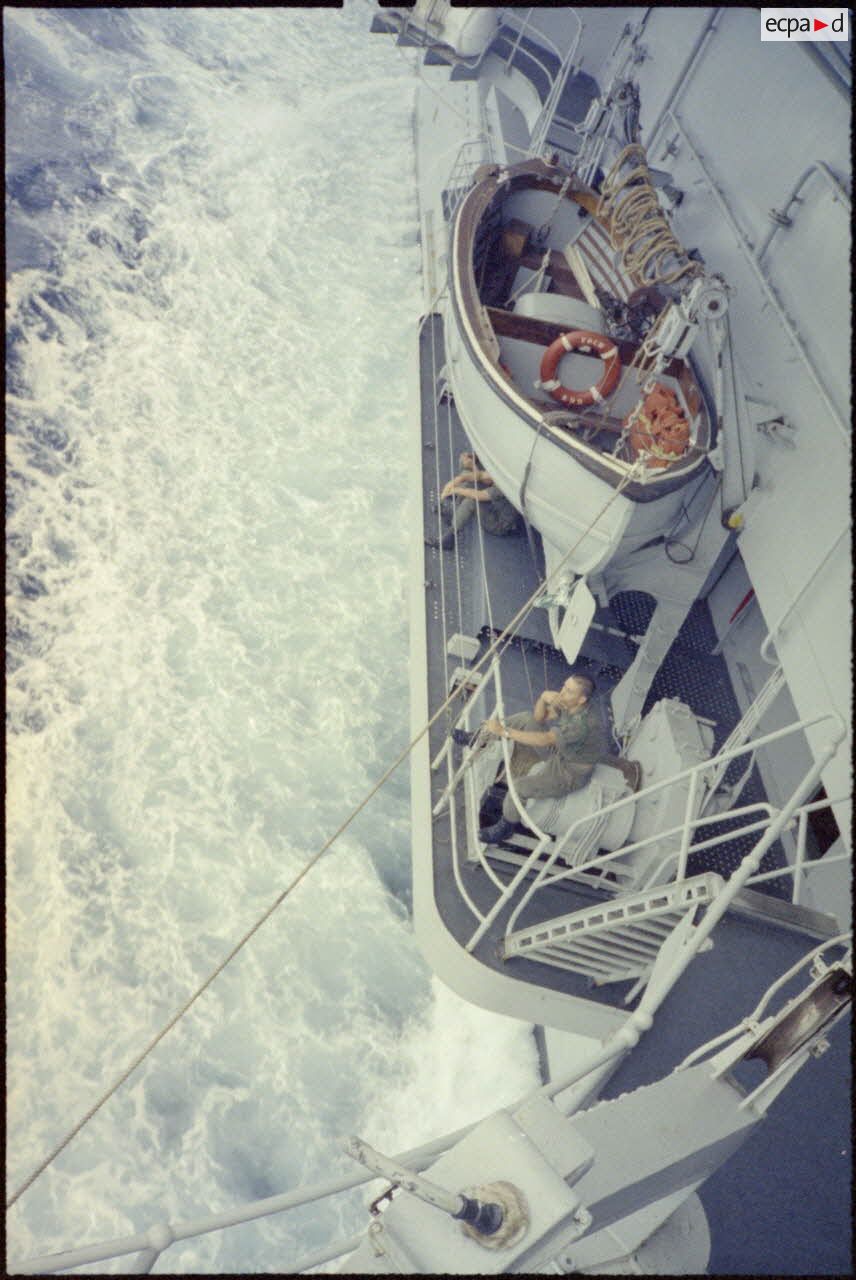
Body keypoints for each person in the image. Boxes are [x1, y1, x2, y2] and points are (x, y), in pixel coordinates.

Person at [473, 673, 610, 844]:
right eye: (564, 687)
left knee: (518, 788)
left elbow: (545, 739)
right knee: (526, 718)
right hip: (561, 752)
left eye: (568, 691)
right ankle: (479, 737)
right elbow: (539, 718)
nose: (561, 693)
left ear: (581, 700)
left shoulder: (581, 724)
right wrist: (543, 698)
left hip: (569, 772)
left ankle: (506, 827)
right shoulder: (570, 702)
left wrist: (504, 731)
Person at [426, 451, 521, 550]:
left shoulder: (504, 485)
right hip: (493, 506)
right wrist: (468, 462)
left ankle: (449, 538)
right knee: (467, 470)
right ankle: (457, 514)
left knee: (472, 500)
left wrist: (456, 489)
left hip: (500, 522)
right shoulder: (503, 468)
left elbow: (479, 495)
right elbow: (480, 475)